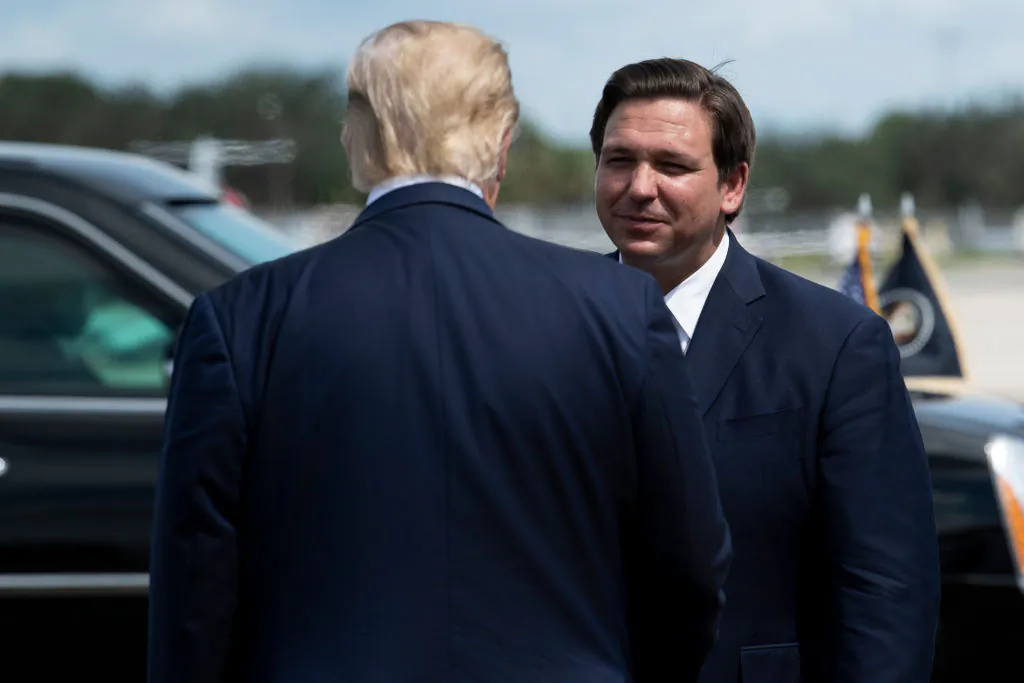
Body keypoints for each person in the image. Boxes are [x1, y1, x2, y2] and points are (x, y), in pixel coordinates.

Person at [148, 22, 732, 683]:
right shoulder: (619, 309)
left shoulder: (239, 320)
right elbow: (690, 567)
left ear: (356, 140)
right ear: (502, 144)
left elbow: (193, 592)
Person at [591, 58, 941, 683]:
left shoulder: (836, 344)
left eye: (671, 165)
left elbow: (885, 590)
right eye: (619, 160)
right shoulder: (544, 329)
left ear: (732, 186)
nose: (639, 186)